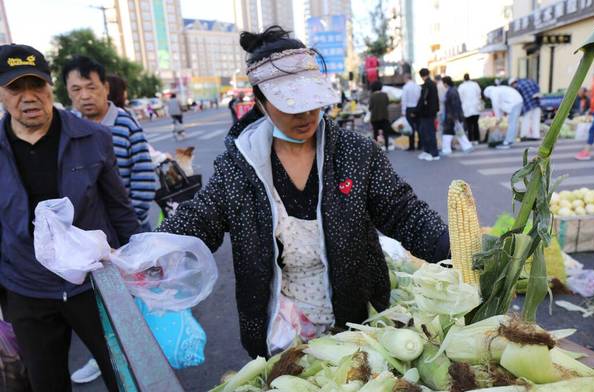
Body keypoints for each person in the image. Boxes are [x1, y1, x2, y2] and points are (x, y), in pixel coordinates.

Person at [157, 26, 450, 359]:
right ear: (261, 102)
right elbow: (200, 220)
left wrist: (451, 246)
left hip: (353, 322)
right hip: (279, 326)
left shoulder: (355, 152)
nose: (305, 115)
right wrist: (149, 253)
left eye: (311, 102)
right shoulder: (238, 167)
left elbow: (403, 212)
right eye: (289, 105)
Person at [0, 44, 141, 392]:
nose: (29, 97)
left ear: (50, 88)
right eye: (16, 89)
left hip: (93, 283)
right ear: (1, 94)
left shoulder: (94, 138)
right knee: (45, 383)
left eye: (37, 86)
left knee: (124, 375)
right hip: (26, 288)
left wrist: (141, 262)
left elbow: (119, 208)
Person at [63, 55, 156, 231]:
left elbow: (144, 179)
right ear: (68, 92)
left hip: (129, 228)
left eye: (91, 87)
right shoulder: (67, 127)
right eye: (76, 89)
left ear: (105, 88)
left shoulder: (126, 124)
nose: (84, 96)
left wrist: (128, 223)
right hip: (86, 233)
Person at [483, 84, 524, 149]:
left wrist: (498, 118)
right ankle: (509, 140)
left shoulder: (493, 92)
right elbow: (501, 105)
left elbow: (496, 106)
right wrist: (500, 117)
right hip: (516, 101)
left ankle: (507, 142)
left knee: (512, 122)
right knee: (512, 122)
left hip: (515, 102)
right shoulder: (498, 90)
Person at [441, 76, 473, 155]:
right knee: (458, 132)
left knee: (448, 133)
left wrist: (455, 117)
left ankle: (447, 149)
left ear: (445, 83)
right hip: (453, 116)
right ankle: (467, 146)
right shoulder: (453, 90)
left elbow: (454, 105)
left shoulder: (451, 92)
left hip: (451, 116)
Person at [416, 68, 440, 161]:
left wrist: (417, 110)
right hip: (432, 112)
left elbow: (423, 99)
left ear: (421, 76)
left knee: (428, 133)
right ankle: (428, 152)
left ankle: (433, 153)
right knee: (429, 132)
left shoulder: (427, 85)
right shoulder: (433, 84)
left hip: (426, 113)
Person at [368, 80, 393, 151]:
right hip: (385, 117)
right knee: (386, 133)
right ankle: (387, 147)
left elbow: (370, 107)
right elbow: (387, 103)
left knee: (375, 133)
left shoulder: (372, 96)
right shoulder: (385, 95)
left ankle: (376, 148)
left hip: (375, 118)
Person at [458, 73, 482, 143]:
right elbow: (479, 94)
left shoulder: (461, 86)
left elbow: (460, 97)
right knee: (475, 124)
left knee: (469, 125)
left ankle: (471, 139)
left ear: (464, 79)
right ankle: (477, 139)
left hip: (466, 108)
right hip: (476, 107)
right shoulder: (475, 85)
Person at [401, 72, 421, 150]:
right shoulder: (418, 87)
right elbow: (420, 98)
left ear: (406, 78)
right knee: (419, 127)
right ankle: (420, 144)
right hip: (417, 108)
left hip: (409, 108)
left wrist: (403, 111)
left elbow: (404, 100)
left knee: (410, 127)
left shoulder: (405, 87)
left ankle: (411, 145)